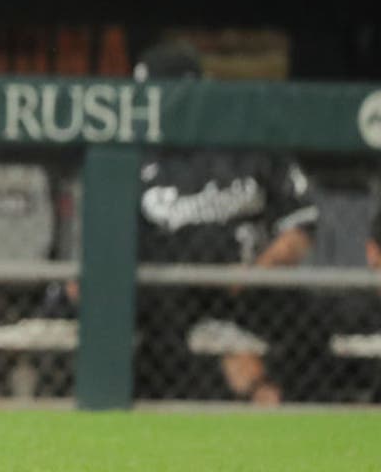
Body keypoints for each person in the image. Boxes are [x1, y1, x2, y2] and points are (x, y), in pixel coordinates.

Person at [133, 41, 319, 405]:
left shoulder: (248, 140)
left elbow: (302, 225)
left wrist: (256, 272)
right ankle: (252, 390)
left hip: (251, 287)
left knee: (311, 324)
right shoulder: (134, 158)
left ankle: (309, 412)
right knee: (158, 324)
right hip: (176, 297)